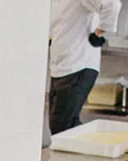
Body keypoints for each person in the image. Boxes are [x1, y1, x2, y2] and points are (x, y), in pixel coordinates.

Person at [48, 0, 121, 135]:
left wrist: (98, 33)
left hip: (79, 65)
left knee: (61, 126)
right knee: (59, 126)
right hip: (59, 66)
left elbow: (112, 5)